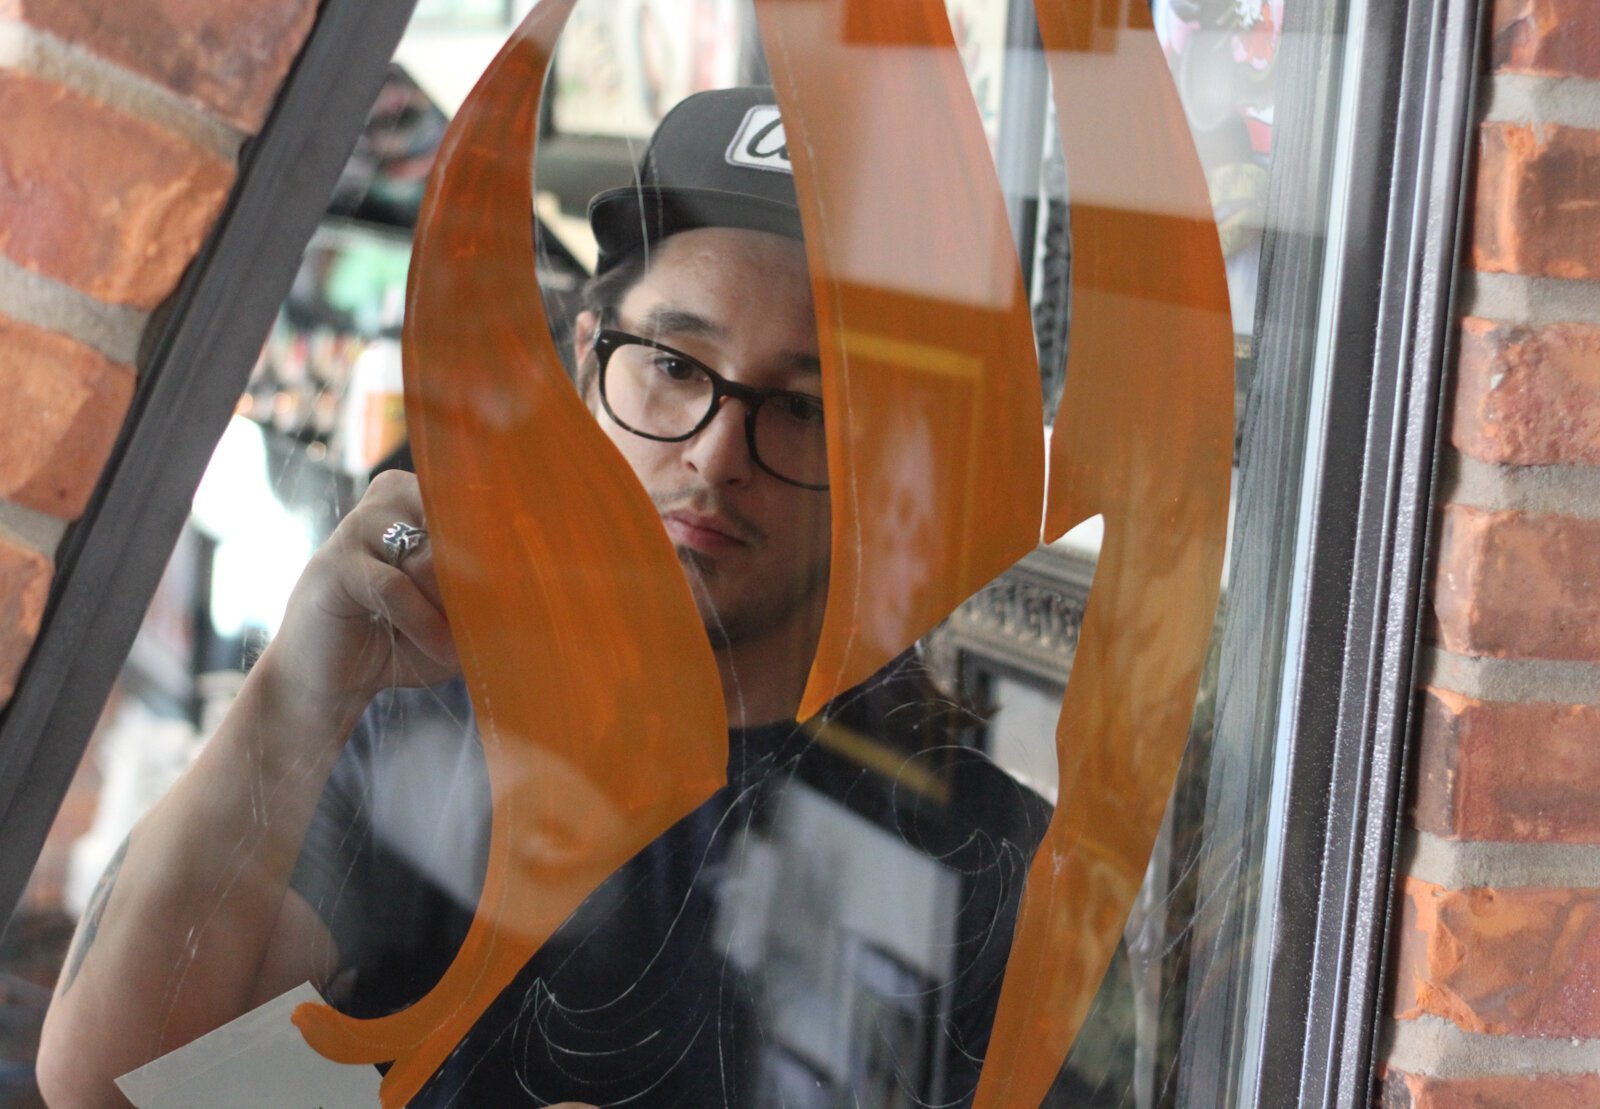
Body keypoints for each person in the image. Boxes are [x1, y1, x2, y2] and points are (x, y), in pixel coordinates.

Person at [38, 86, 1049, 1107]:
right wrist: (299, 683)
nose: (712, 450)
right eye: (670, 363)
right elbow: (112, 1082)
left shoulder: (988, 864)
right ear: (586, 364)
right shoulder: (426, 717)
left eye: (803, 406)